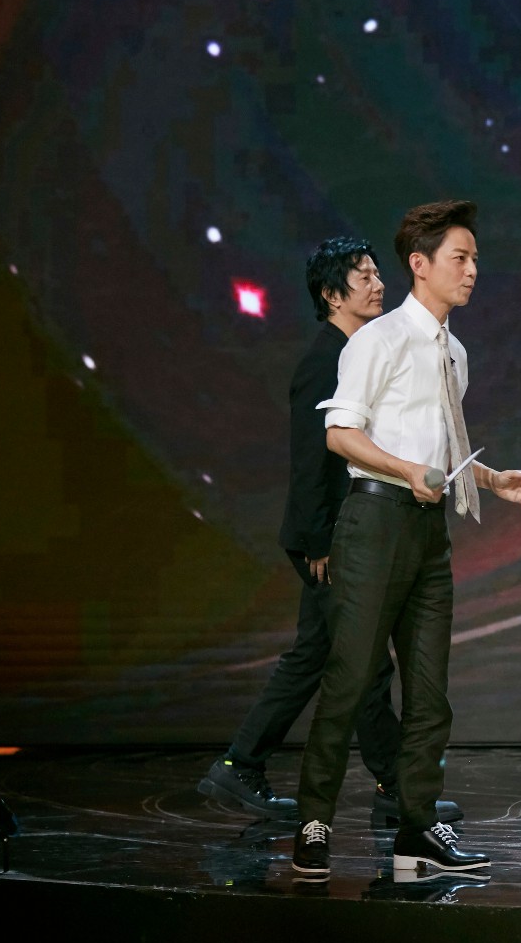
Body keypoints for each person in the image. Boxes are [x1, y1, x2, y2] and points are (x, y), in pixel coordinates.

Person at [290, 200, 521, 880]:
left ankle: (417, 826)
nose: (472, 270)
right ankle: (313, 821)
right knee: (349, 681)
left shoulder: (454, 352)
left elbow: (444, 448)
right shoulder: (379, 340)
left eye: (476, 258)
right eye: (460, 258)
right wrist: (405, 471)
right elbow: (340, 433)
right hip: (373, 524)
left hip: (429, 533)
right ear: (420, 264)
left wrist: (492, 479)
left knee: (431, 691)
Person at [197, 239, 462, 826]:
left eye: (377, 274)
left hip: (352, 533)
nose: (378, 284)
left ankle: (246, 764)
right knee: (358, 663)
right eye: (362, 277)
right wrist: (320, 541)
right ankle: (387, 783)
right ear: (331, 294)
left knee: (325, 654)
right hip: (333, 537)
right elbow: (313, 459)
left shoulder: (360, 350)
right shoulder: (329, 359)